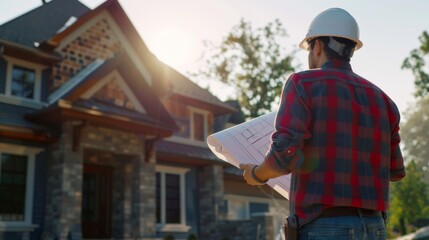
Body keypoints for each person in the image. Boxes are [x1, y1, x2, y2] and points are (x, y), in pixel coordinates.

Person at [239, 8, 406, 240]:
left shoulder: (302, 84)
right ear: (350, 50)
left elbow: (283, 154)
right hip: (375, 227)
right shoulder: (385, 102)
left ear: (317, 46)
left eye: (309, 48)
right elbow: (396, 170)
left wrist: (257, 174)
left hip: (323, 227)